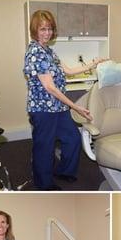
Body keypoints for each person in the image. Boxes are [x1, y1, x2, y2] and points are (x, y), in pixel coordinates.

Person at [23, 10, 106, 190]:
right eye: (42, 29)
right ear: (35, 30)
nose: (47, 33)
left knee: (72, 138)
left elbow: (67, 70)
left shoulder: (49, 51)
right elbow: (50, 87)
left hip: (58, 107)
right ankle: (43, 184)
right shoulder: (35, 52)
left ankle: (64, 171)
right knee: (45, 147)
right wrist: (75, 107)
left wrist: (93, 63)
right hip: (43, 109)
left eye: (50, 29)